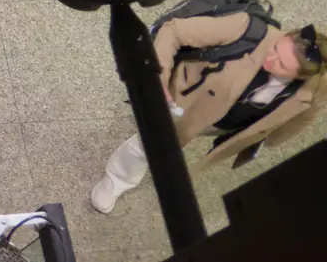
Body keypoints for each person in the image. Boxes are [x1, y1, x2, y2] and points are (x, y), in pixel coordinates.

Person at [90, 19, 324, 214]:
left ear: (300, 76)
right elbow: (174, 30)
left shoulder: (317, 87)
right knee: (149, 142)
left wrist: (274, 139)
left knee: (176, 151)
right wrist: (156, 78)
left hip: (233, 125)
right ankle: (117, 179)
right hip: (192, 102)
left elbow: (306, 116)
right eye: (275, 50)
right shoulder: (246, 28)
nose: (270, 60)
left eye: (282, 65)